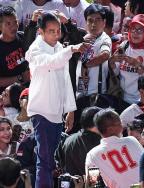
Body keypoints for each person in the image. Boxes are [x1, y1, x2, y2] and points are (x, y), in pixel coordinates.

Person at [25, 12, 90, 187]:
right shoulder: (35, 50)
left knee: (52, 162)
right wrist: (72, 49)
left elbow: (66, 81)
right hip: (41, 112)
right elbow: (51, 62)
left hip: (57, 112)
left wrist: (70, 110)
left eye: (58, 30)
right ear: (41, 32)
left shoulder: (60, 48)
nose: (56, 34)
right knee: (45, 161)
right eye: (51, 31)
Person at [85, 108, 144, 187]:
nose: (122, 126)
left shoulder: (92, 154)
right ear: (110, 129)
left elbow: (92, 183)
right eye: (119, 123)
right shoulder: (131, 140)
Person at [109, 14, 144, 106]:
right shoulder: (124, 46)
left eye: (140, 30)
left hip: (142, 102)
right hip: (122, 99)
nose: (135, 33)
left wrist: (137, 65)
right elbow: (116, 72)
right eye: (133, 29)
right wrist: (112, 61)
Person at [56, 106, 102, 176]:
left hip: (69, 183)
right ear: (96, 123)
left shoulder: (67, 140)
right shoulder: (101, 143)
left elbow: (57, 165)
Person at [0, 6, 30, 92]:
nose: (13, 27)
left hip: (29, 90)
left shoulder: (23, 36)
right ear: (0, 26)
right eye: (8, 23)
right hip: (8, 97)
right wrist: (21, 78)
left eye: (15, 22)